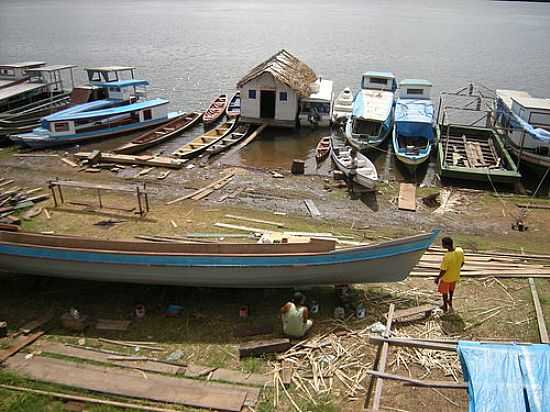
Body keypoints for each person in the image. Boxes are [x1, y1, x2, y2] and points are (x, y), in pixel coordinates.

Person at [434, 237, 464, 313]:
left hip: (446, 278)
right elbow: (462, 263)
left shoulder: (447, 257)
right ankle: (450, 300)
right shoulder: (460, 251)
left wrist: (437, 278)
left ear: (446, 245)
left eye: (443, 244)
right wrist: (456, 268)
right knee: (451, 290)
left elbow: (443, 270)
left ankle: (445, 306)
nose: (442, 245)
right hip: (455, 276)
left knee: (444, 292)